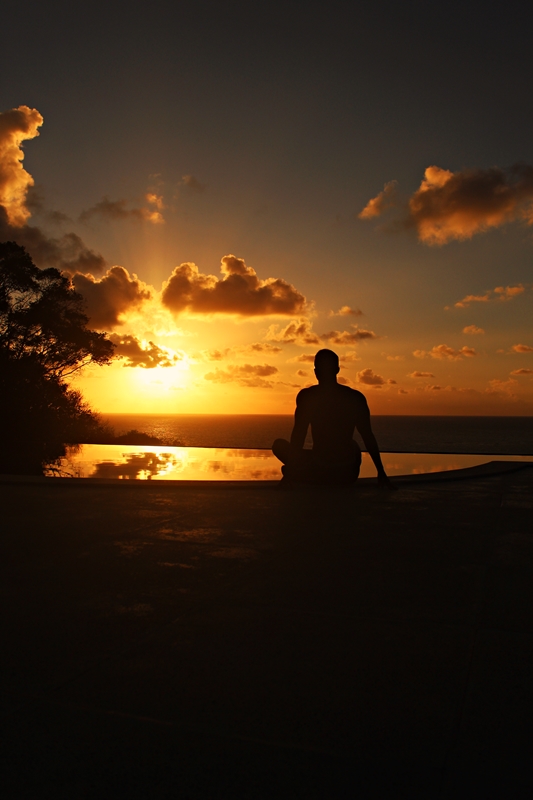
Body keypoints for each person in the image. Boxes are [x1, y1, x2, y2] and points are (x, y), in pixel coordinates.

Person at [272, 349, 394, 488]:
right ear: (337, 370)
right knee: (354, 446)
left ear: (315, 371)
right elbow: (368, 436)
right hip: (346, 472)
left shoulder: (308, 397)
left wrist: (289, 473)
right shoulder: (354, 398)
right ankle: (305, 474)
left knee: (279, 446)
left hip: (321, 466)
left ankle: (302, 474)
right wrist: (381, 473)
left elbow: (298, 436)